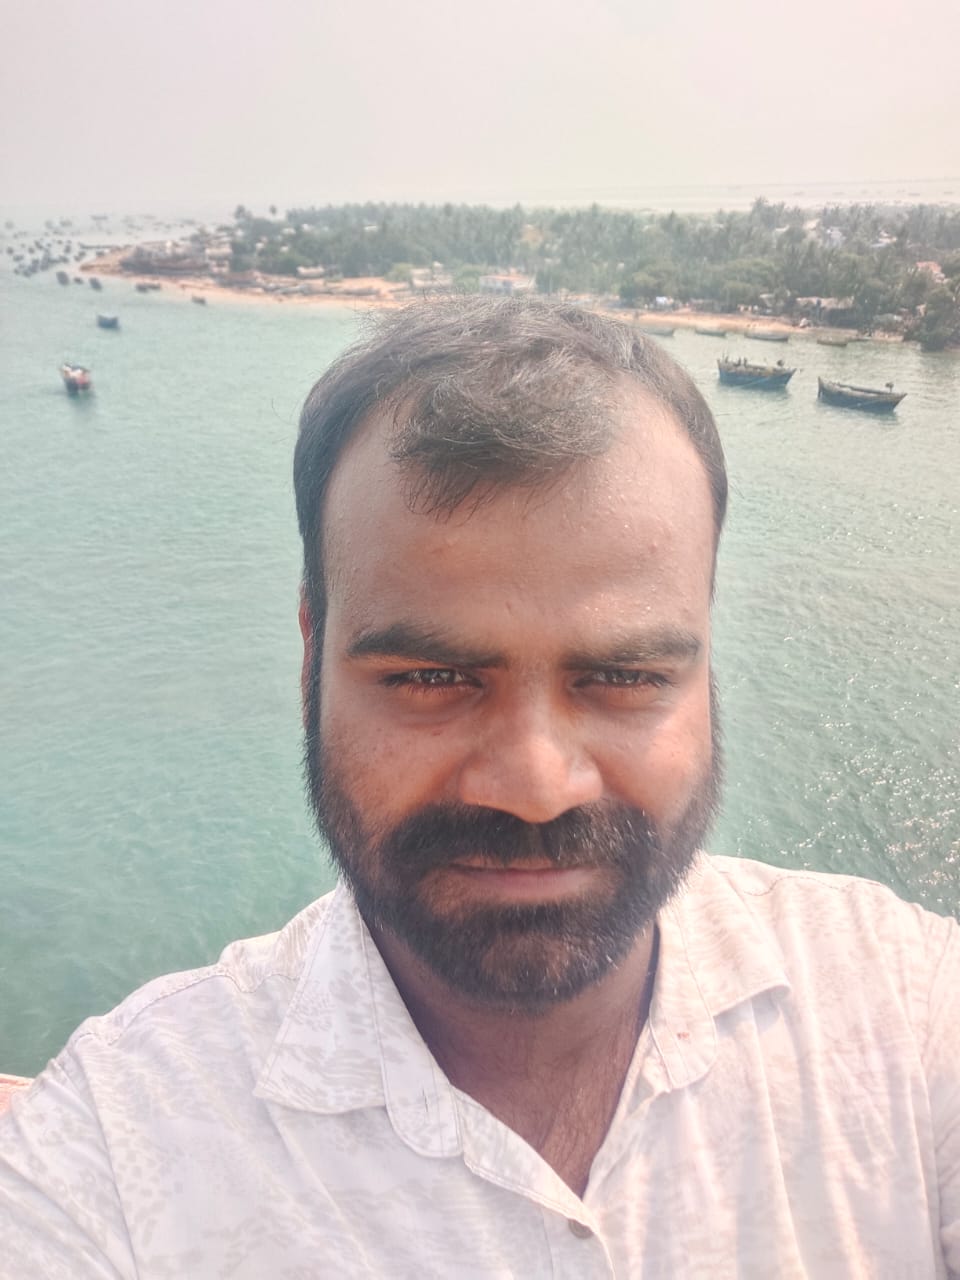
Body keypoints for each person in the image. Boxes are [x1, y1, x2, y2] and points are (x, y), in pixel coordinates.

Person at [1, 296, 959, 1277]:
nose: (535, 787)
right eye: (432, 677)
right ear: (310, 659)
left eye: (624, 676)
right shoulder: (113, 1161)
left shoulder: (913, 1016)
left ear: (708, 666)